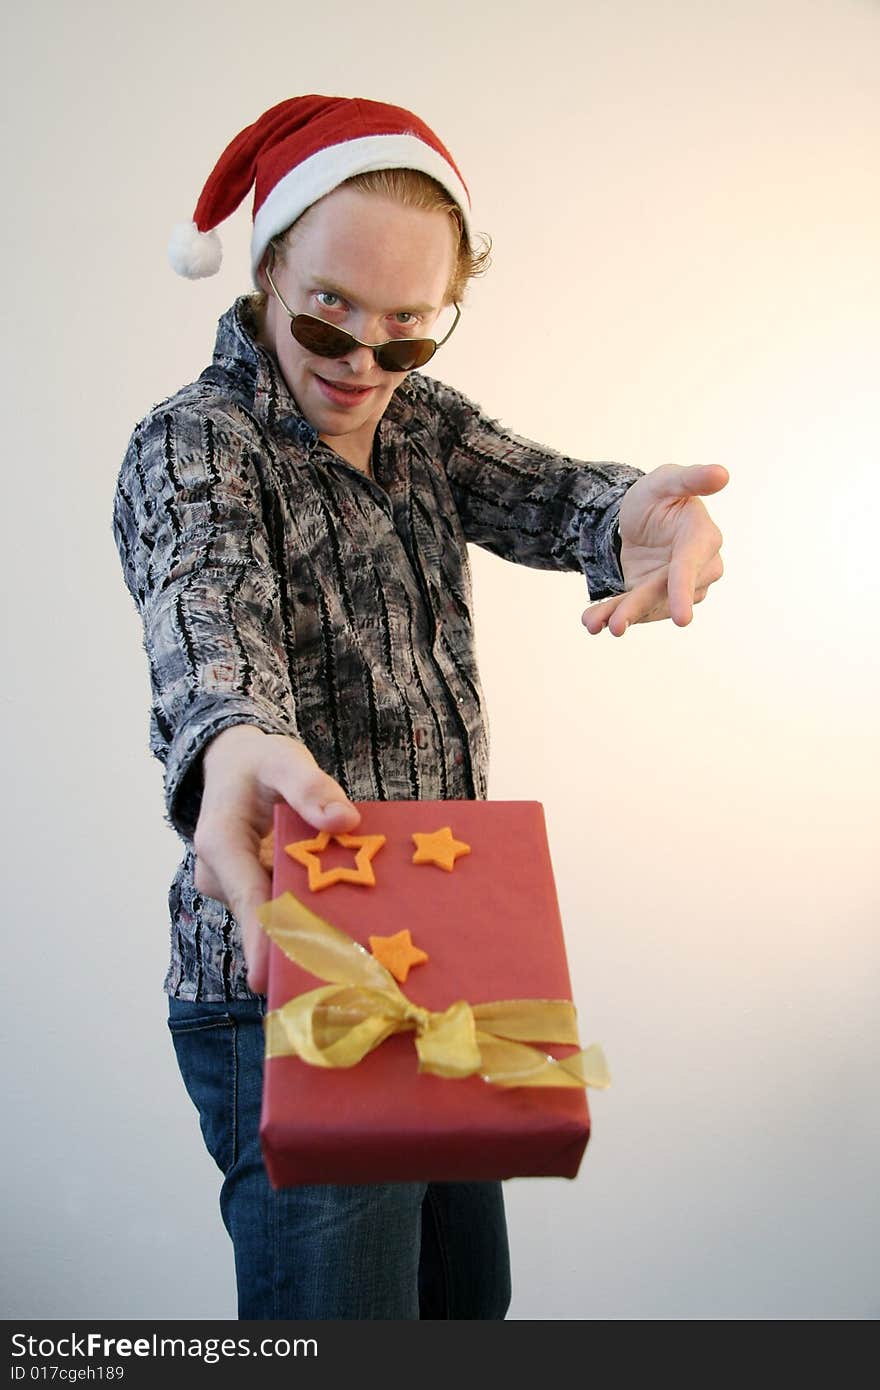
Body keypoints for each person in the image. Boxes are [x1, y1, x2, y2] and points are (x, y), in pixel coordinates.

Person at [112, 95, 726, 1320]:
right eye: (327, 312)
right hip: (288, 979)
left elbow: (564, 497)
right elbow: (205, 610)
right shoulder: (197, 446)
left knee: (463, 1313)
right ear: (268, 263)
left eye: (406, 330)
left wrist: (643, 518)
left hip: (444, 964)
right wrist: (234, 737)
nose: (360, 364)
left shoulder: (422, 426)